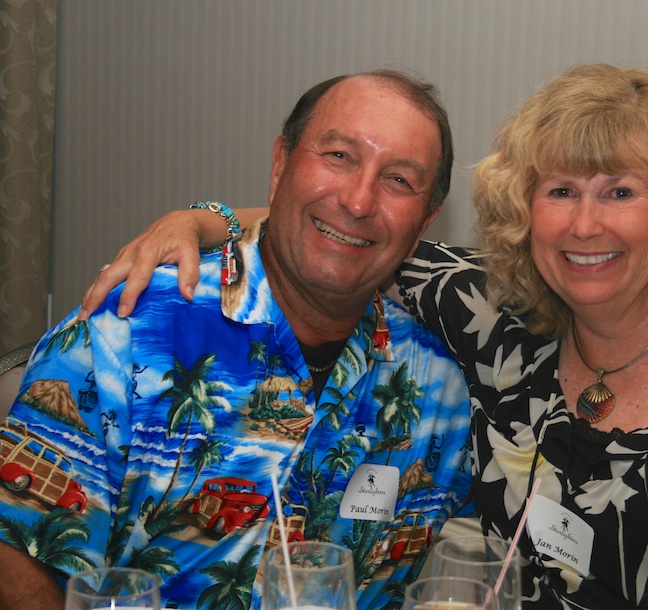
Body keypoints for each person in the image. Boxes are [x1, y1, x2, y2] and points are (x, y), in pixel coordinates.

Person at [77, 65, 648, 609]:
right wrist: (196, 221)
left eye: (621, 192)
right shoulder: (495, 318)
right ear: (524, 209)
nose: (584, 224)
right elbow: (337, 228)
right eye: (561, 191)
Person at [0, 70, 474, 610]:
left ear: (426, 221)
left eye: (398, 181)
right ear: (280, 166)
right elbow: (18, 551)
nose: (359, 200)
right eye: (338, 156)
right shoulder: (128, 331)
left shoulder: (437, 393)